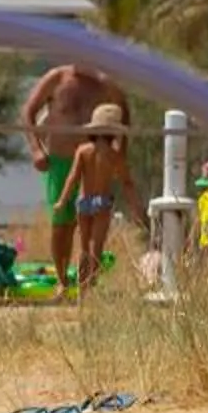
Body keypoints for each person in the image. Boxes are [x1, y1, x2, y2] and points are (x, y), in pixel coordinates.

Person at [21, 59, 113, 291]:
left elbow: (123, 109)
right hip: (60, 159)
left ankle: (88, 284)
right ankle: (62, 282)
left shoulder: (103, 84)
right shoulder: (57, 78)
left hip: (93, 162)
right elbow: (28, 112)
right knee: (61, 223)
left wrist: (118, 151)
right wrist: (35, 149)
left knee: (92, 223)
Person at [66, 103, 132, 289]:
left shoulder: (83, 150)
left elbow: (73, 178)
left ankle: (82, 288)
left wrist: (62, 200)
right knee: (97, 247)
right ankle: (91, 283)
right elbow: (126, 180)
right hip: (102, 201)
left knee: (84, 247)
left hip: (83, 200)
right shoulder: (114, 155)